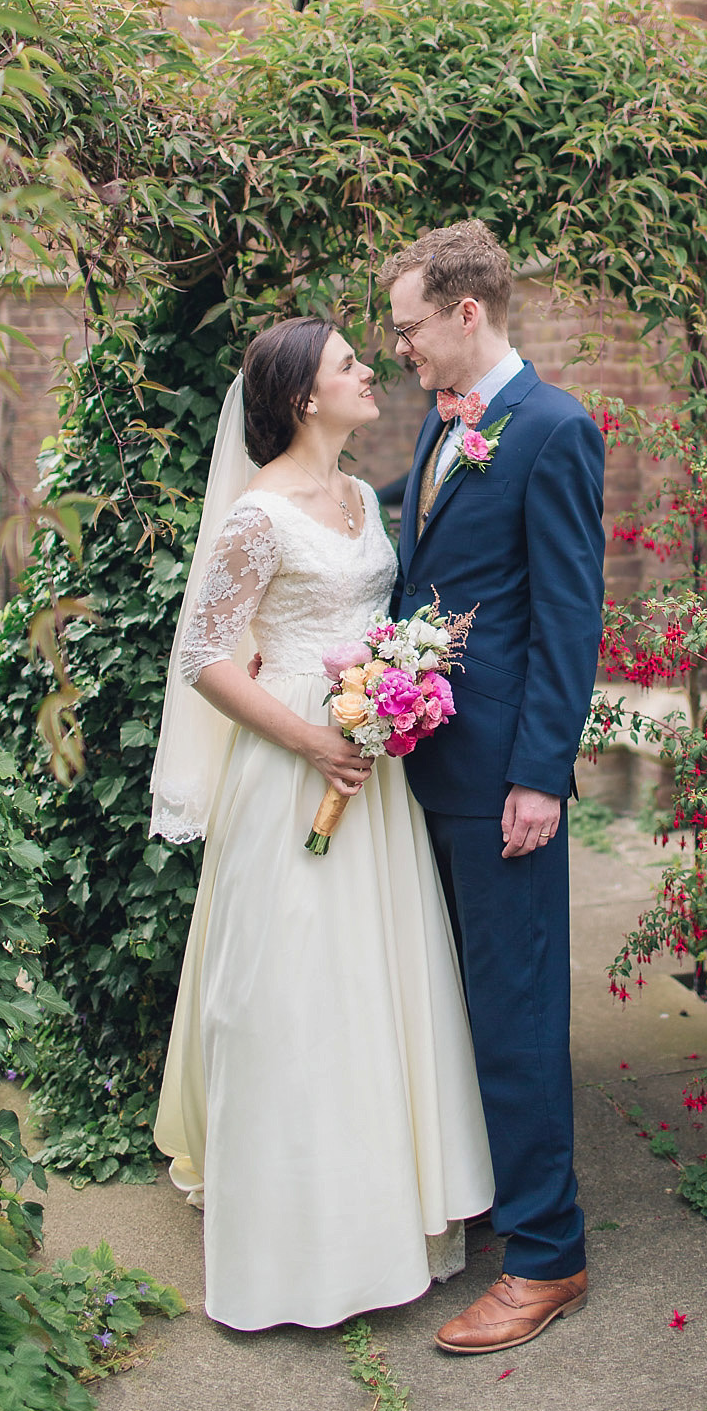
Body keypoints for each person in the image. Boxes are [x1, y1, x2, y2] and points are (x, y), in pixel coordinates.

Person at [148, 316, 493, 1332]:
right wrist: (308, 739)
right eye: (349, 363)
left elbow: (376, 618)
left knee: (371, 987)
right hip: (298, 761)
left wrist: (399, 684)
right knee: (290, 991)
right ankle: (289, 1243)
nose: (369, 369)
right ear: (304, 396)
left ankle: (382, 1216)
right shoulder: (258, 515)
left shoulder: (354, 495)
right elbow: (203, 661)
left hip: (369, 766)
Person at [377, 220, 605, 1354]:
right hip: (434, 765)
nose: (402, 349)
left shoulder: (557, 429)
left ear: (467, 313)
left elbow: (569, 615)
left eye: (413, 327)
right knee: (462, 1005)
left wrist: (541, 778)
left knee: (516, 1012)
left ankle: (548, 1256)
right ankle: (494, 1202)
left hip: (504, 778)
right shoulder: (442, 424)